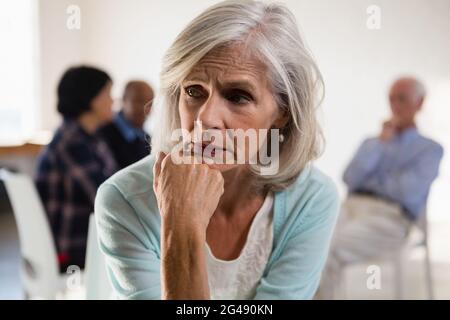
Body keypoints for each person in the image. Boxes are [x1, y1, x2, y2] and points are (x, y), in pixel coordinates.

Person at [95, 0, 339, 300]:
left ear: (282, 112)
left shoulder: (311, 199)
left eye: (238, 97)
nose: (206, 119)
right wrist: (180, 224)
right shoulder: (125, 200)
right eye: (193, 91)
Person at [318, 77, 444, 299]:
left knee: (325, 249)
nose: (395, 105)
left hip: (391, 218)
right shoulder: (372, 143)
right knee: (307, 239)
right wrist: (381, 146)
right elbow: (350, 177)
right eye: (391, 98)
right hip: (349, 208)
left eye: (402, 98)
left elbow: (407, 192)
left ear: (420, 102)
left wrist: (371, 179)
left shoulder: (430, 149)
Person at [35, 66, 118, 272]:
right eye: (107, 93)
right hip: (73, 252)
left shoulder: (86, 137)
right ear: (90, 99)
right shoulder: (72, 143)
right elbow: (106, 197)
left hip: (78, 243)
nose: (112, 101)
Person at [97, 81, 153, 169]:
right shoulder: (101, 133)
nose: (145, 107)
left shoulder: (148, 140)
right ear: (123, 99)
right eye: (139, 101)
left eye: (150, 103)